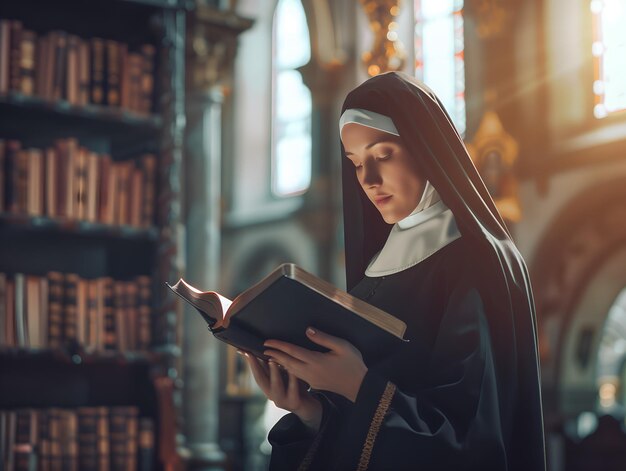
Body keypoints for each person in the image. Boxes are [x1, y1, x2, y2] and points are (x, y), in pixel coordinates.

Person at [240, 71, 546, 470]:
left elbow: (472, 441)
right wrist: (309, 410)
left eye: (382, 155)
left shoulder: (475, 263)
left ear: (425, 149)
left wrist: (358, 385)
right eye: (355, 163)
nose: (367, 180)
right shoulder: (376, 270)